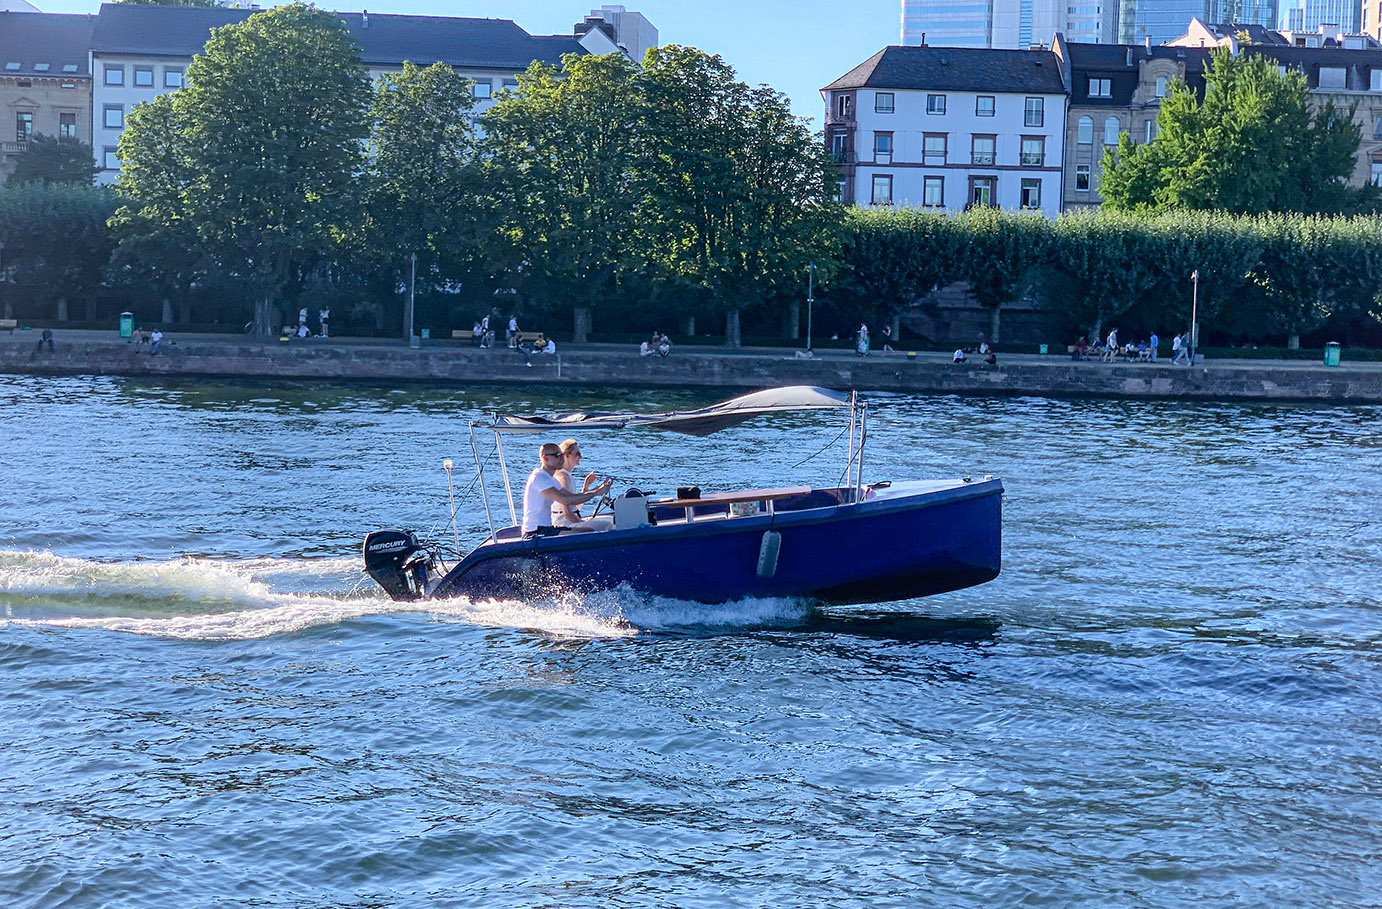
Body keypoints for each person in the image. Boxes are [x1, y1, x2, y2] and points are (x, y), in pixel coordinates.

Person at [523, 443, 612, 536]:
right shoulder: (539, 477)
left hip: (547, 528)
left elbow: (571, 497)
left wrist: (595, 490)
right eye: (557, 456)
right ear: (545, 458)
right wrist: (595, 493)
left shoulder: (551, 479)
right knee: (590, 533)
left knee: (588, 530)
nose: (562, 459)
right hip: (535, 531)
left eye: (562, 455)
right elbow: (565, 500)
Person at [552, 439, 614, 532]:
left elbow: (575, 509)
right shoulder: (563, 477)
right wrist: (581, 522)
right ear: (566, 455)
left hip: (569, 521)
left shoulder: (567, 476)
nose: (581, 456)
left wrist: (586, 489)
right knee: (608, 525)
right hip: (564, 524)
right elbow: (566, 512)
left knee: (610, 521)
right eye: (577, 454)